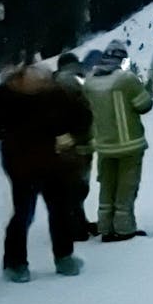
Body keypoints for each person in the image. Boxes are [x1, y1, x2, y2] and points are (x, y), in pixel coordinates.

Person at [0, 64, 92, 282]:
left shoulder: (6, 93)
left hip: (23, 162)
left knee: (28, 212)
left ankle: (18, 264)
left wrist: (0, 131)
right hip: (46, 161)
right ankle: (61, 259)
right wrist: (70, 136)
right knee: (54, 210)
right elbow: (82, 117)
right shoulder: (53, 92)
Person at [82, 39, 152, 242]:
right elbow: (144, 104)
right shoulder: (125, 79)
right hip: (129, 143)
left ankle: (105, 227)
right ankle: (124, 229)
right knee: (126, 187)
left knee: (107, 186)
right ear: (122, 59)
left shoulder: (90, 81)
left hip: (103, 144)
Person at [53, 53, 96, 240]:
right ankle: (74, 228)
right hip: (78, 141)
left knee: (72, 186)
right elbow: (83, 110)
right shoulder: (72, 81)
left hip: (65, 144)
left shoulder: (56, 81)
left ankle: (77, 223)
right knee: (77, 187)